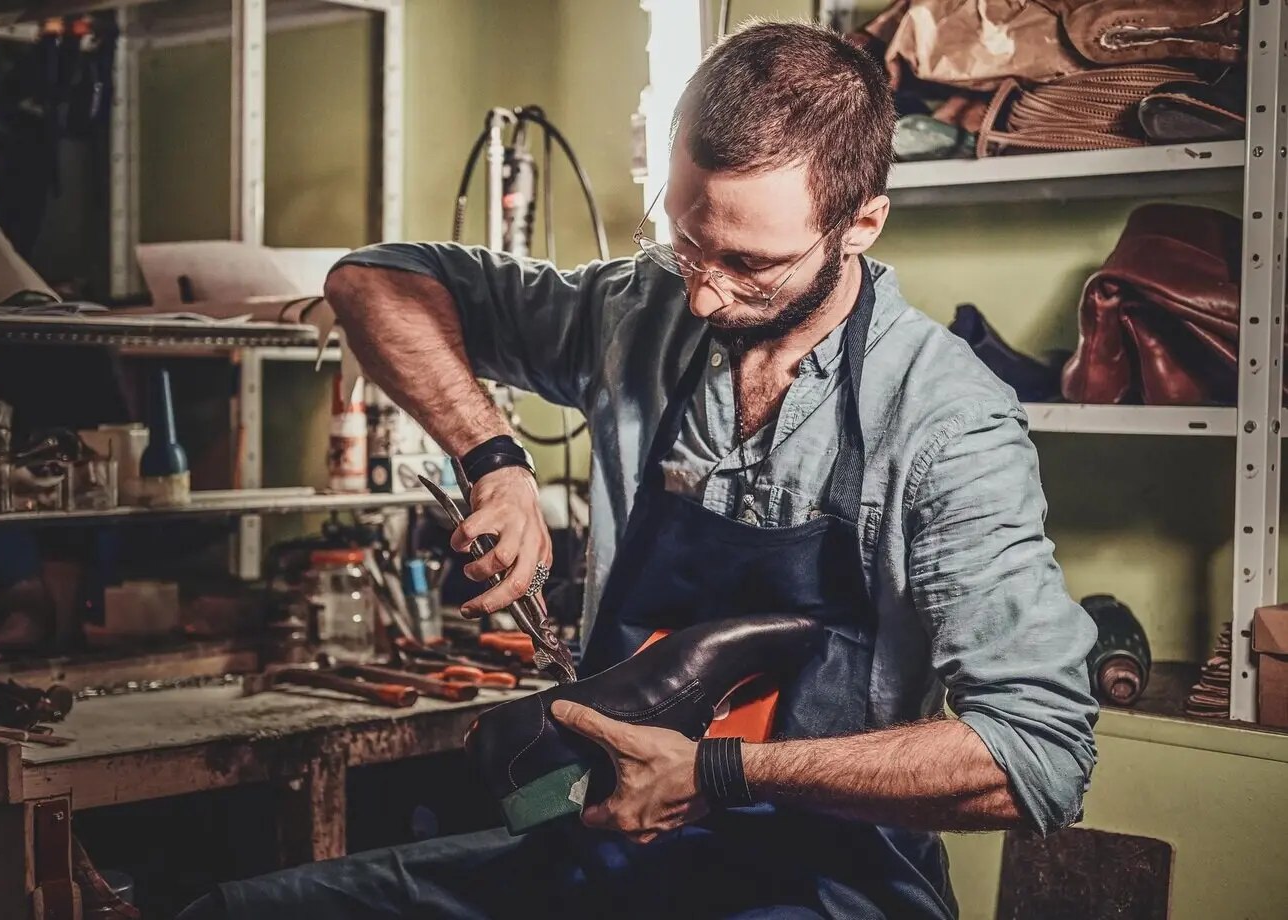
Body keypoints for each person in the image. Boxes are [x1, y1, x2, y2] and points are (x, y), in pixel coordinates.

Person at [179, 20, 1098, 920]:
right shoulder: (638, 313)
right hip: (609, 845)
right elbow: (371, 281)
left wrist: (716, 774)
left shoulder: (946, 420)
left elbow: (1036, 756)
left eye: (751, 266)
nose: (703, 294)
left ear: (860, 225)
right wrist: (494, 460)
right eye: (687, 241)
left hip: (825, 876)